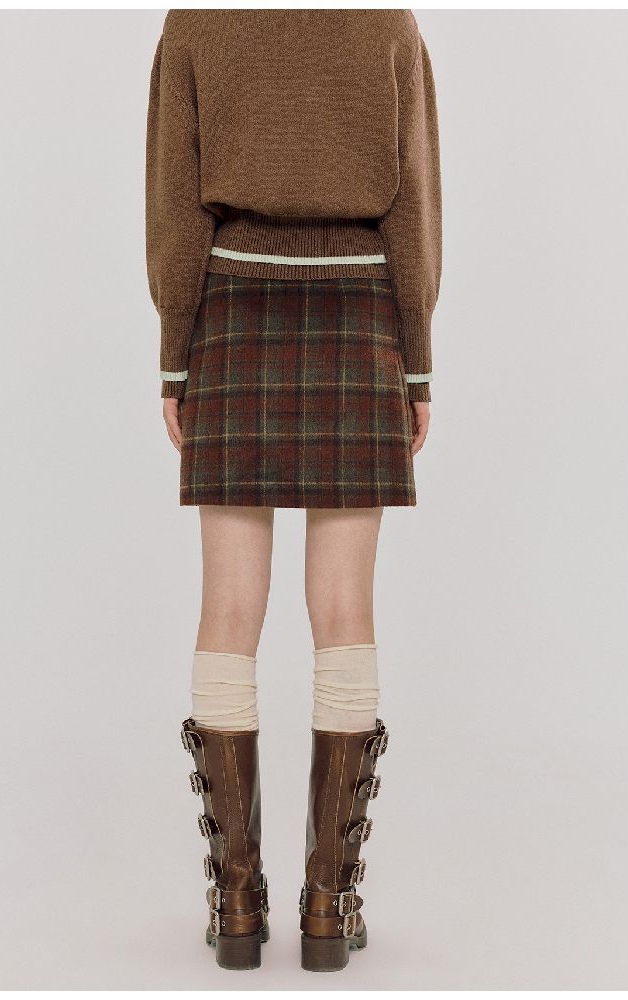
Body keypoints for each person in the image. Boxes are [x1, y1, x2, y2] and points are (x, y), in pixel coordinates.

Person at [145, 8, 441, 973]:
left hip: (233, 305)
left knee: (228, 608)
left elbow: (175, 204)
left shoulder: (196, 21)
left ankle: (237, 902)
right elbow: (414, 203)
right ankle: (327, 902)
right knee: (344, 607)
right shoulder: (387, 23)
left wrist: (177, 353)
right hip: (360, 309)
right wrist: (417, 360)